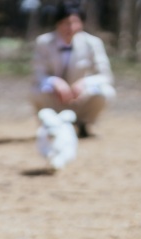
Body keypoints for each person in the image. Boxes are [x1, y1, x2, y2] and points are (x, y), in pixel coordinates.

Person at [30, 0, 115, 138]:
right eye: (66, 23)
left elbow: (106, 75)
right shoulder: (44, 42)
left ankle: (83, 124)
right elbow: (37, 73)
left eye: (75, 22)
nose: (70, 27)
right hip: (54, 97)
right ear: (57, 23)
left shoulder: (92, 43)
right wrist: (54, 82)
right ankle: (50, 124)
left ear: (82, 23)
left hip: (80, 97)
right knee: (34, 90)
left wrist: (84, 83)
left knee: (106, 91)